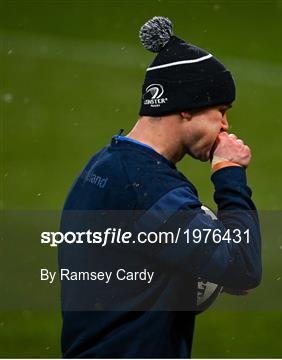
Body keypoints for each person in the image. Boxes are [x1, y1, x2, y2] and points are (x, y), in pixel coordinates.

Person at [59, 16, 262, 358]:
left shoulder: (106, 163)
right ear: (186, 107)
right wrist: (229, 173)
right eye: (221, 111)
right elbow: (243, 268)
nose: (226, 126)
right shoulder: (147, 187)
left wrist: (202, 265)